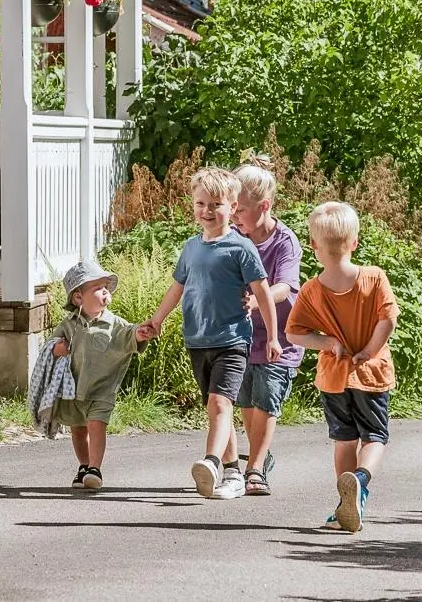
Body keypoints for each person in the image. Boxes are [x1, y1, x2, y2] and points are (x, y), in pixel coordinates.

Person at [138, 167, 280, 500]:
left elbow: (262, 293)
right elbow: (177, 288)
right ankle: (232, 473)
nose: (207, 211)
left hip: (232, 339)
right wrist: (156, 320)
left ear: (233, 207)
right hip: (197, 340)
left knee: (220, 402)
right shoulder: (191, 248)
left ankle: (212, 462)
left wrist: (273, 337)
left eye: (216, 204)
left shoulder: (241, 248)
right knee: (217, 408)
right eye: (201, 203)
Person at [286, 202, 398, 532]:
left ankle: (342, 508)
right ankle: (360, 481)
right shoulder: (374, 278)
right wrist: (369, 351)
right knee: (375, 436)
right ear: (354, 242)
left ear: (314, 246)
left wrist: (329, 343)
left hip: (334, 377)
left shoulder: (312, 290)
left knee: (344, 440)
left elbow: (294, 333)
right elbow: (388, 320)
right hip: (371, 374)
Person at [231, 163, 303, 496]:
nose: (235, 216)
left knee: (266, 403)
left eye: (240, 210)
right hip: (243, 335)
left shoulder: (284, 241)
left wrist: (257, 300)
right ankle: (260, 457)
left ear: (264, 206)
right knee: (247, 403)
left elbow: (285, 288)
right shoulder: (235, 237)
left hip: (280, 338)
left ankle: (256, 468)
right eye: (232, 209)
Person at [48, 259, 145, 491]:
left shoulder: (113, 324)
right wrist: (58, 348)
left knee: (96, 424)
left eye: (106, 287)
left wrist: (141, 333)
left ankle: (95, 468)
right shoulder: (69, 324)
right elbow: (50, 346)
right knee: (78, 428)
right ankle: (83, 465)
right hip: (74, 387)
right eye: (98, 288)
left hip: (102, 389)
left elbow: (130, 333)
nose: (105, 292)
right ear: (78, 298)